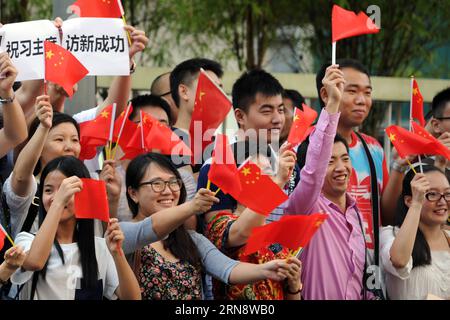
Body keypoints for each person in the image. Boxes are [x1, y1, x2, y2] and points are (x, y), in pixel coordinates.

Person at [121, 153, 300, 300]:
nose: (168, 191)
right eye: (157, 184)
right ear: (133, 193)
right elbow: (150, 229)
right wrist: (192, 206)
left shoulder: (191, 239)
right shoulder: (121, 233)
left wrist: (266, 270)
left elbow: (227, 269)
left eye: (173, 182)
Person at [315, 59, 408, 270]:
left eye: (367, 92)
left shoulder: (373, 147)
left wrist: (398, 169)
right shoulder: (307, 146)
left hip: (369, 266)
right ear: (326, 93)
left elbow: (387, 215)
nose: (362, 100)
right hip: (325, 264)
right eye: (352, 91)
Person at [285, 65, 369, 300]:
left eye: (345, 159)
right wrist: (332, 105)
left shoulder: (355, 212)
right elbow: (313, 173)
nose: (341, 168)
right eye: (330, 161)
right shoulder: (306, 207)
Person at [10, 156, 141, 300]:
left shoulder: (100, 246)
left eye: (65, 189)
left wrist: (117, 253)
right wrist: (59, 202)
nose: (56, 196)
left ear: (85, 195)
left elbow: (132, 297)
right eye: (48, 190)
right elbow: (34, 262)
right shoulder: (26, 240)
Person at [204, 141, 302, 300]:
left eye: (270, 173)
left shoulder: (275, 237)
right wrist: (278, 183)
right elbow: (241, 232)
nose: (267, 179)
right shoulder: (219, 223)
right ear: (234, 179)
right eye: (257, 172)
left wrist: (294, 286)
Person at [380, 165, 450, 300]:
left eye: (447, 194)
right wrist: (417, 203)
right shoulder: (390, 235)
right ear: (408, 200)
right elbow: (399, 261)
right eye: (432, 194)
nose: (442, 201)